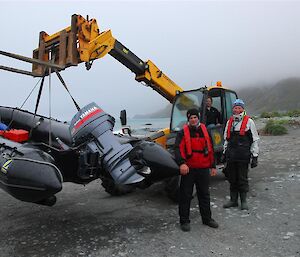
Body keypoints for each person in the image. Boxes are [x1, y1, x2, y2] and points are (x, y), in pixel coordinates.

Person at [174, 108, 219, 232]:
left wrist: (213, 166)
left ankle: (207, 219)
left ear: (198, 118)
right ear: (188, 119)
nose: (193, 120)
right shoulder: (182, 132)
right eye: (191, 118)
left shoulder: (205, 130)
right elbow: (177, 149)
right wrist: (182, 163)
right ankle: (184, 221)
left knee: (204, 194)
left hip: (203, 168)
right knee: (185, 195)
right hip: (189, 168)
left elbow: (211, 148)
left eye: (195, 117)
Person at [222, 99, 259, 210]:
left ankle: (243, 201)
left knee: (242, 178)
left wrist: (255, 156)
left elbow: (255, 139)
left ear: (243, 109)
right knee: (232, 178)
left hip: (243, 156)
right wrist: (224, 153)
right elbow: (226, 139)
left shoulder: (249, 122)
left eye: (239, 108)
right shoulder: (229, 122)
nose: (237, 110)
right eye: (235, 107)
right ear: (232, 109)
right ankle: (233, 201)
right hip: (231, 156)